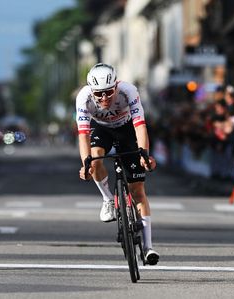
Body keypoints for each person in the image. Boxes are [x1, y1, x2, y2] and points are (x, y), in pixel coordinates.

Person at [76, 63, 159, 265]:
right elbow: (83, 135)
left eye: (109, 92)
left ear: (116, 86)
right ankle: (108, 200)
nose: (104, 98)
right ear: (92, 91)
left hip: (127, 129)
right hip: (101, 130)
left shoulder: (128, 91)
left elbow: (140, 126)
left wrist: (144, 155)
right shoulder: (83, 97)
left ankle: (148, 248)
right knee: (94, 158)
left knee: (137, 190)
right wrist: (86, 164)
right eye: (99, 94)